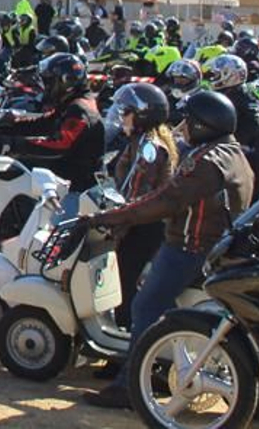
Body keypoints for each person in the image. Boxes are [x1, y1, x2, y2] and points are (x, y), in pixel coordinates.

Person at [84, 90, 253, 409]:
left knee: (144, 307)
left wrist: (107, 217)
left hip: (188, 248)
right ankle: (158, 367)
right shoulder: (234, 154)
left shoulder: (206, 162)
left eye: (189, 120)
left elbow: (165, 200)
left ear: (203, 125)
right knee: (160, 306)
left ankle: (130, 385)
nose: (183, 125)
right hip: (211, 246)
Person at [103, 82, 177, 334]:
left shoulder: (149, 149)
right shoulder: (140, 141)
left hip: (144, 225)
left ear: (142, 116)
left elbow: (136, 193)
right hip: (141, 220)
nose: (121, 116)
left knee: (124, 281)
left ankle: (126, 338)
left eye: (126, 112)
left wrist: (112, 223)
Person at [0, 53, 104, 191]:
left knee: (12, 171)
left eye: (49, 82)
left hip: (77, 184)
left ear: (64, 82)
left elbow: (59, 145)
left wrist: (12, 144)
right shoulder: (73, 101)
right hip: (68, 169)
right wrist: (11, 125)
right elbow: (46, 122)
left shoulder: (79, 109)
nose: (45, 86)